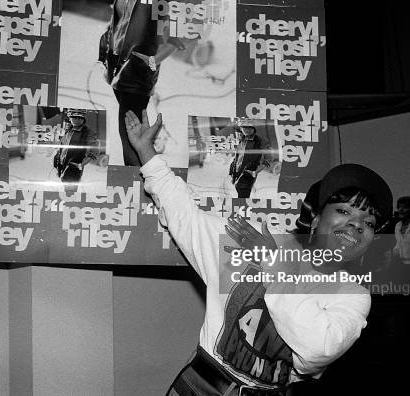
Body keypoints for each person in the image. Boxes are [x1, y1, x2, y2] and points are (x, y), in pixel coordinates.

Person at [125, 110, 393, 395]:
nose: (356, 224)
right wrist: (146, 153)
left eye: (369, 222)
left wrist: (275, 266)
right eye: (343, 211)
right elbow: (187, 219)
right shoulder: (258, 239)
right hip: (198, 386)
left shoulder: (353, 295)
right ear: (315, 220)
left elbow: (317, 350)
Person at [98, 0, 184, 166]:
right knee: (131, 136)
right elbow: (117, 24)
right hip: (117, 73)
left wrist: (151, 62)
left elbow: (175, 40)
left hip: (137, 78)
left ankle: (138, 185)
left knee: (131, 140)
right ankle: (140, 181)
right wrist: (104, 58)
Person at [53, 109, 98, 183]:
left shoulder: (88, 132)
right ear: (70, 118)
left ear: (83, 119)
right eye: (74, 117)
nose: (77, 120)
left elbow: (94, 151)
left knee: (70, 190)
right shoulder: (68, 129)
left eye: (80, 118)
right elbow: (63, 146)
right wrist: (57, 159)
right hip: (62, 165)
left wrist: (81, 164)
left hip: (74, 167)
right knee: (63, 185)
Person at [229, 118, 269, 198]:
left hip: (248, 173)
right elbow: (238, 156)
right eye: (245, 127)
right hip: (237, 172)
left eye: (250, 127)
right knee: (239, 191)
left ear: (254, 128)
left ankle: (242, 209)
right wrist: (232, 168)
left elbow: (268, 157)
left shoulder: (259, 141)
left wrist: (256, 171)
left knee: (243, 195)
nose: (247, 130)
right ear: (241, 128)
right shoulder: (242, 140)